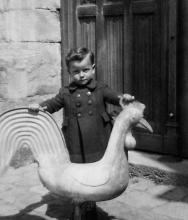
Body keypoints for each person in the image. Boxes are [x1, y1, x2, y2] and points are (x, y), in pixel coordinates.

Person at [29, 47, 135, 219]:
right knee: (78, 174)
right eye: (76, 71)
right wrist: (40, 106)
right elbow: (53, 104)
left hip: (98, 137)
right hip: (75, 140)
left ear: (93, 68)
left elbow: (114, 96)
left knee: (94, 173)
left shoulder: (100, 88)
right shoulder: (65, 92)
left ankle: (90, 203)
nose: (82, 75)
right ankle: (79, 202)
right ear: (69, 72)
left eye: (85, 70)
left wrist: (123, 98)